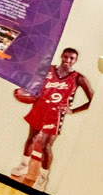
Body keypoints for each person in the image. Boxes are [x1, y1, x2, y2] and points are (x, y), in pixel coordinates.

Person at [11, 47, 94, 187]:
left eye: (71, 58)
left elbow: (93, 100)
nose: (68, 60)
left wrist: (73, 111)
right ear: (61, 56)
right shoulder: (47, 69)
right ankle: (23, 165)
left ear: (75, 60)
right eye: (66, 57)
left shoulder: (79, 78)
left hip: (55, 114)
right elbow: (32, 83)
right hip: (39, 107)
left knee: (46, 146)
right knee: (31, 138)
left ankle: (43, 177)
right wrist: (24, 91)